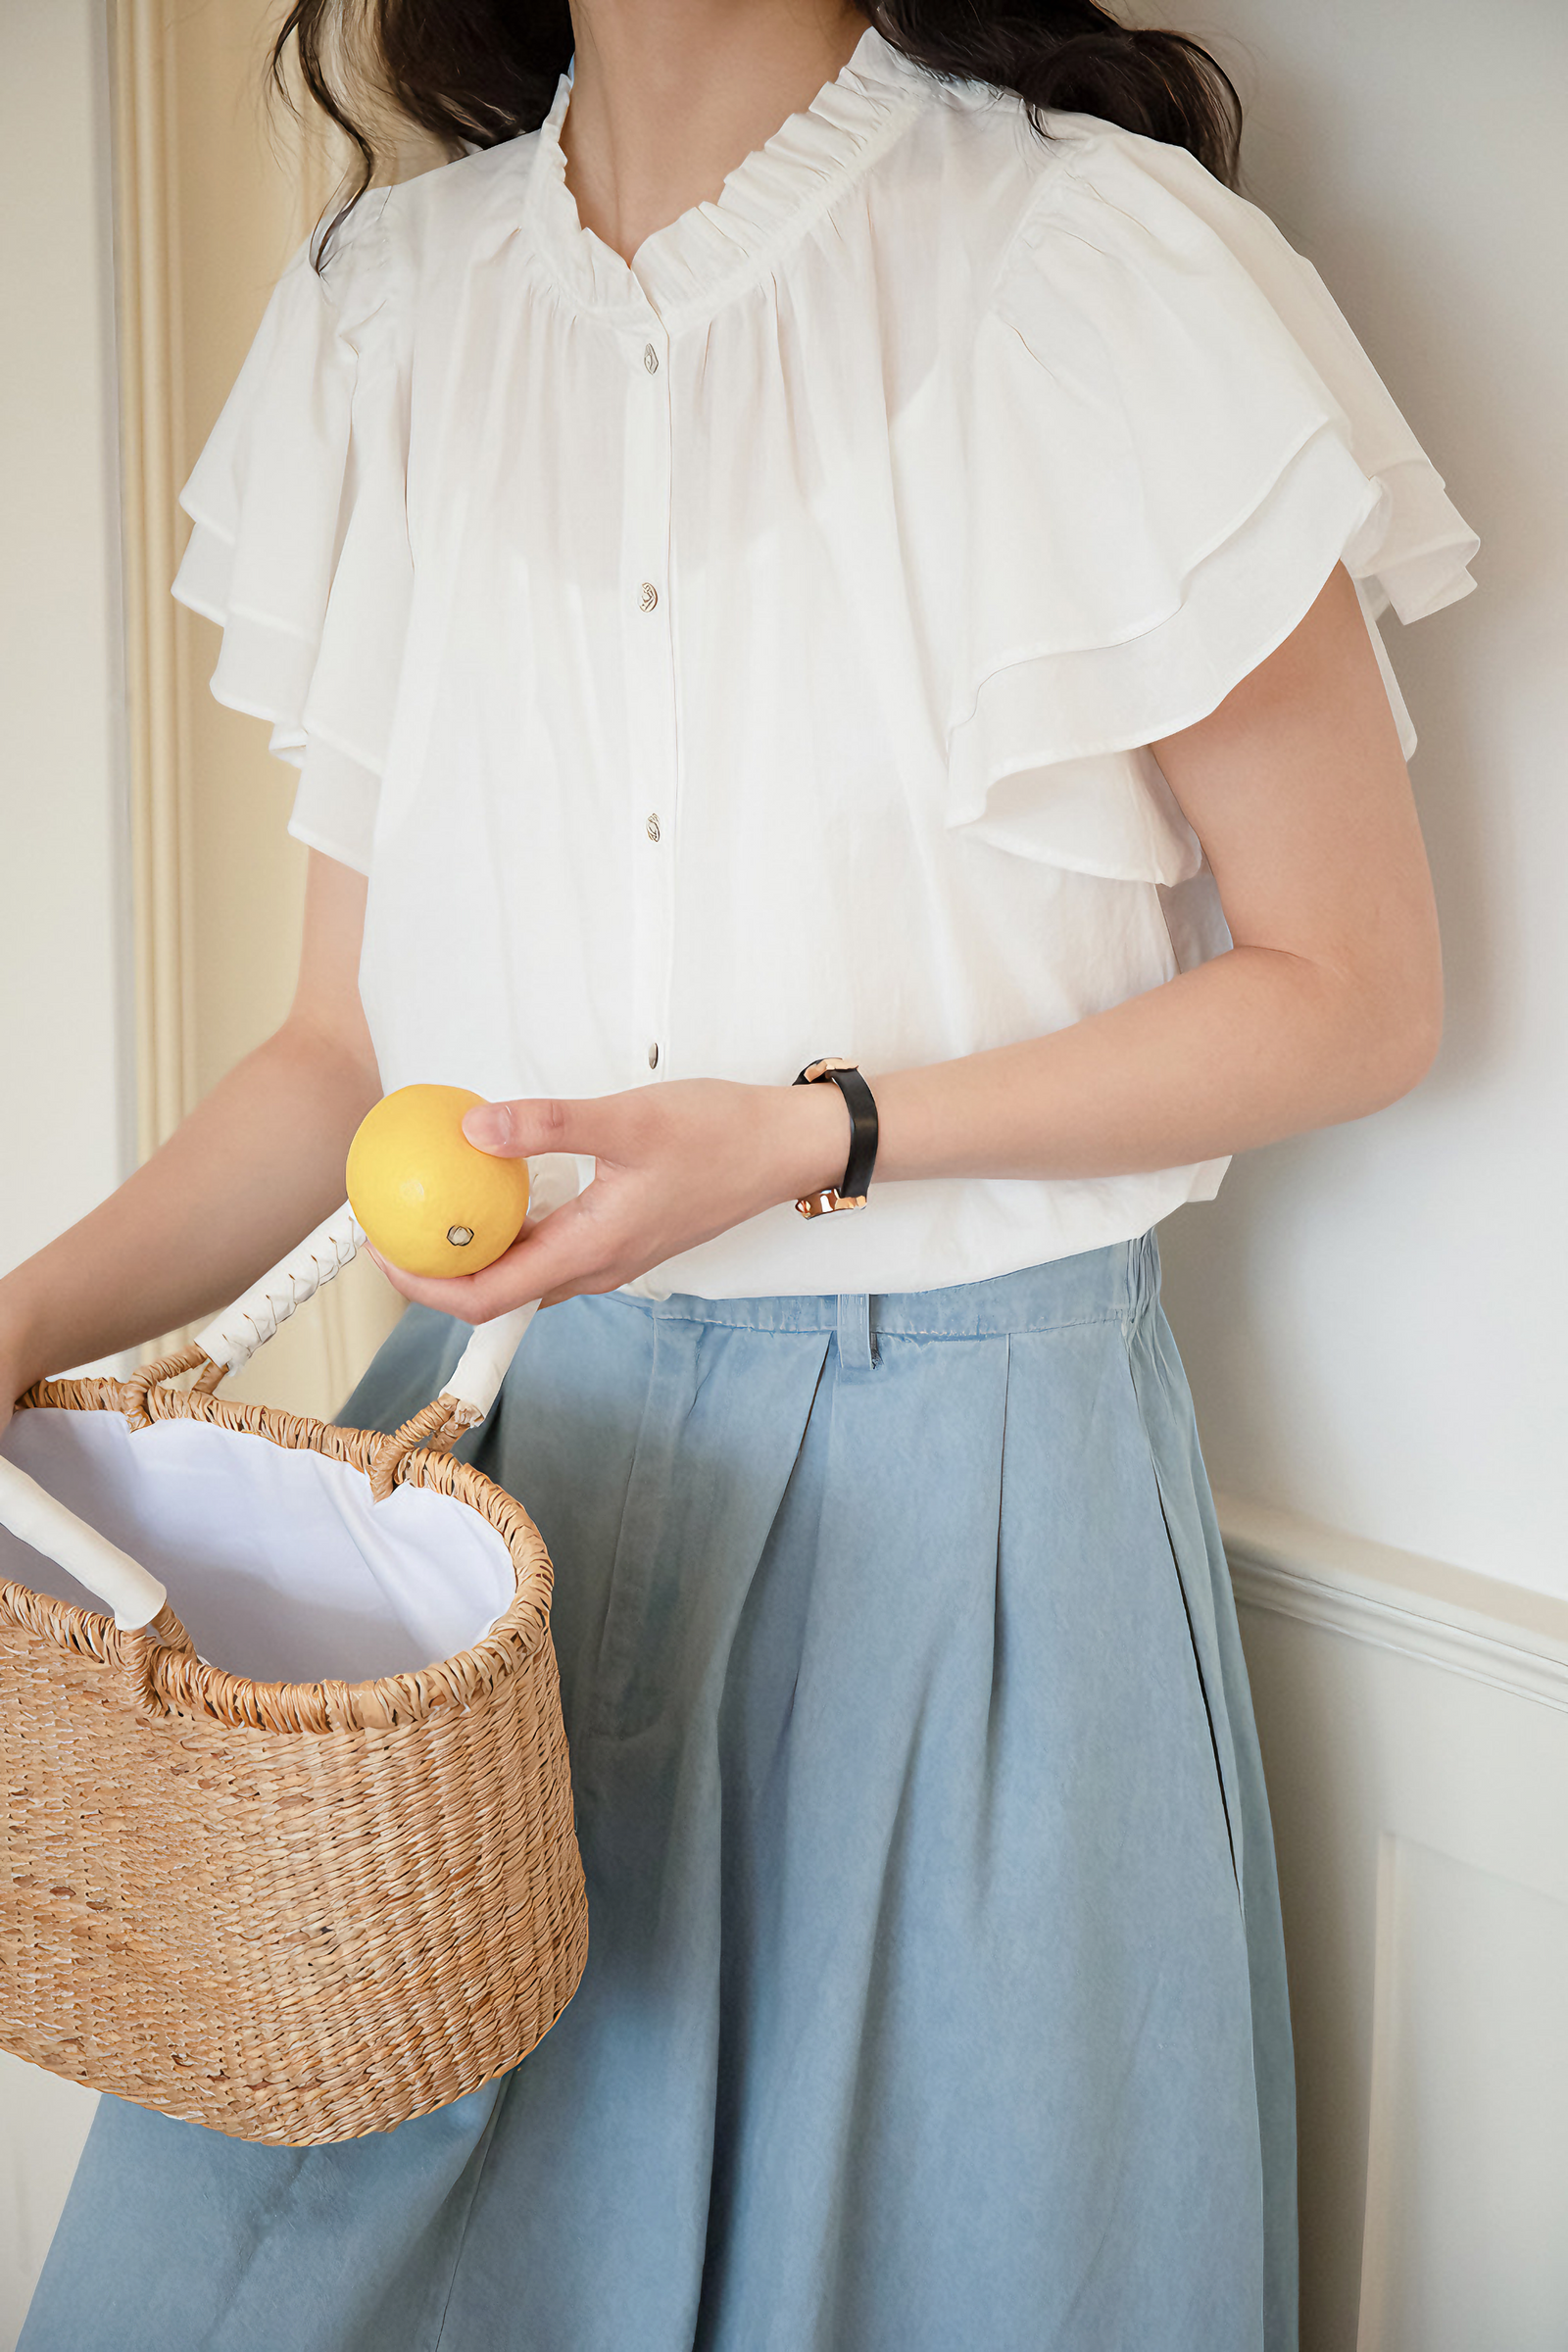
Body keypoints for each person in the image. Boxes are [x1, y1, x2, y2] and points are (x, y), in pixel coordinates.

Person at [4, 3, 1478, 2346]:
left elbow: (1351, 986)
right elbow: (331, 1057)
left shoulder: (1086, 267)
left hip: (978, 1548)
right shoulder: (392, 319)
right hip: (486, 1542)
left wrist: (817, 1133)